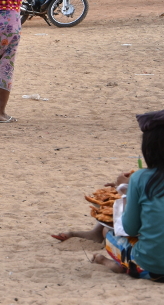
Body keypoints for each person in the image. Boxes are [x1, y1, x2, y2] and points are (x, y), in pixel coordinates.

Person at [52, 109, 164, 282]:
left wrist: (125, 189)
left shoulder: (141, 179)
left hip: (152, 267)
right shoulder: (142, 179)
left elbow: (130, 228)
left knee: (108, 231)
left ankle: (116, 262)